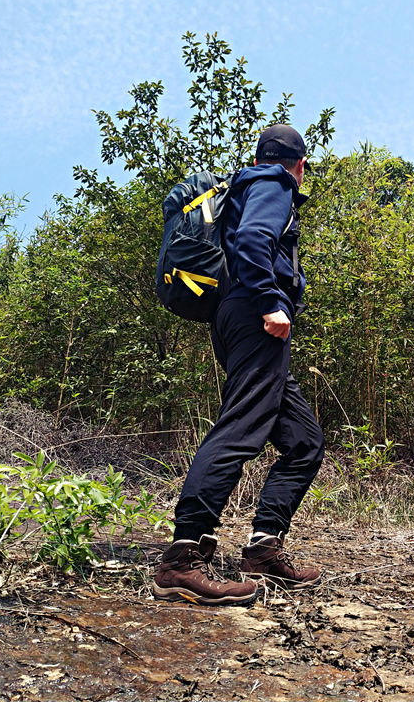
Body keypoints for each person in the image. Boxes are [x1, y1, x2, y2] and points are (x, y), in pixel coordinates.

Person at [153, 124, 325, 605]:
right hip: (254, 313)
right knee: (241, 428)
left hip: (236, 313)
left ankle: (263, 550)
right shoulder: (274, 182)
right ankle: (181, 560)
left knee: (304, 442)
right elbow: (252, 240)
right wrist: (271, 301)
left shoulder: (245, 184)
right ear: (300, 164)